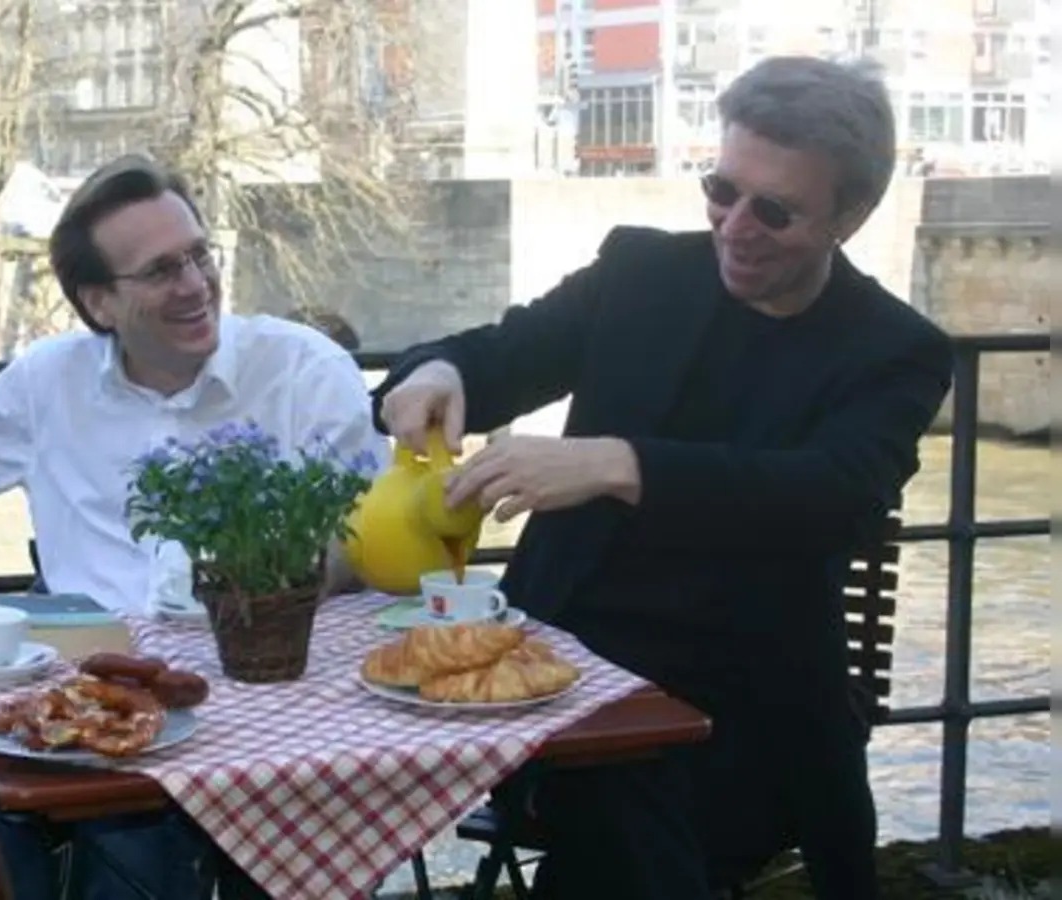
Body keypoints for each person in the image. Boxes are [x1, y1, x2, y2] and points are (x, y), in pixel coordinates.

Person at [374, 56, 952, 900]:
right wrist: (437, 375)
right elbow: (500, 354)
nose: (735, 226)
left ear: (852, 217)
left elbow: (834, 496)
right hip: (556, 674)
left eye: (775, 209)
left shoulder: (893, 349)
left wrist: (615, 464)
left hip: (746, 704)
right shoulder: (642, 273)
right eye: (722, 190)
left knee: (633, 806)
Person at [0, 153, 389, 898]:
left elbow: (366, 542)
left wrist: (267, 591)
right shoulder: (51, 381)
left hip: (282, 710)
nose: (197, 285)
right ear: (100, 303)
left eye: (199, 255)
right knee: (114, 840)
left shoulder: (304, 368)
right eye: (163, 270)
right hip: (106, 725)